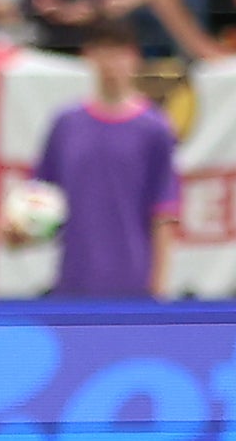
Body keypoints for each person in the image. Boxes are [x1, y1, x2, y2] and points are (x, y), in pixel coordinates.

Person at [24, 33, 183, 301]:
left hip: (133, 286)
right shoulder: (67, 124)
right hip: (73, 283)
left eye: (118, 53)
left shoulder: (154, 130)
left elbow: (164, 212)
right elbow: (41, 198)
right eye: (103, 52)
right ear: (90, 57)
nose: (111, 64)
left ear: (134, 58)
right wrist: (19, 230)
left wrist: (158, 287)